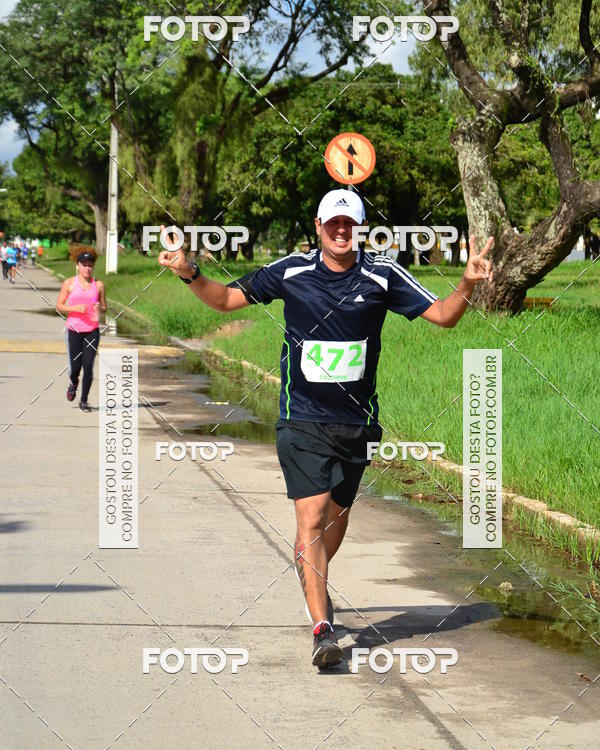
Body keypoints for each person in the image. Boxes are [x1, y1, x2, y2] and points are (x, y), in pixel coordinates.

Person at [157, 189, 493, 669]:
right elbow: (228, 300)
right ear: (318, 226)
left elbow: (443, 316)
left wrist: (467, 281)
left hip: (356, 423)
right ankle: (322, 629)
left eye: (349, 223)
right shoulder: (292, 271)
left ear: (359, 228)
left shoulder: (382, 274)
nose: (341, 230)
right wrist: (191, 272)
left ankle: (309, 566)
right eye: (333, 223)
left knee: (334, 521)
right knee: (310, 518)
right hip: (302, 418)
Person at [55, 246, 106, 412]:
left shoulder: (98, 285)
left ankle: (84, 400)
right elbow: (59, 306)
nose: (88, 267)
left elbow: (105, 307)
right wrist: (75, 309)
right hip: (74, 330)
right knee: (75, 367)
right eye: (84, 264)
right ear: (78, 265)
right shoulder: (69, 283)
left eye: (90, 264)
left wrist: (100, 307)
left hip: (92, 330)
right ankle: (73, 382)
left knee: (88, 365)